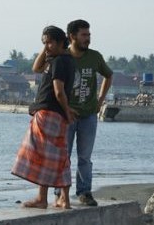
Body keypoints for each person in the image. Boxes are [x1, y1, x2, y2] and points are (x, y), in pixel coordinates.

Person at [12, 25, 77, 209]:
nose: (46, 46)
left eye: (49, 42)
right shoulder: (65, 60)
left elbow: (58, 91)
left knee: (42, 154)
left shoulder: (58, 62)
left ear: (60, 42)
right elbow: (36, 67)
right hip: (57, 115)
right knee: (58, 156)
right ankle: (65, 199)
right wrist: (46, 47)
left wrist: (66, 111)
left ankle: (42, 198)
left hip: (49, 112)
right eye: (44, 43)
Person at [65, 19, 113, 207]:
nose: (88, 39)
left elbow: (108, 76)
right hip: (67, 116)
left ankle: (84, 192)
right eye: (84, 35)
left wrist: (100, 101)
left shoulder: (95, 57)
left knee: (85, 157)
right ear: (72, 36)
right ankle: (60, 192)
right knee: (64, 156)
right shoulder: (63, 57)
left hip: (89, 116)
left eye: (89, 35)